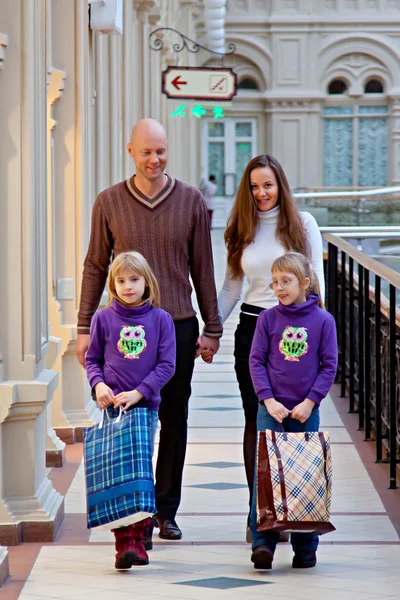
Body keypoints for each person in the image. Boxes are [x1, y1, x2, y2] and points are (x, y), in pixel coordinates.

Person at [77, 119, 222, 542]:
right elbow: (94, 265)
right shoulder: (108, 202)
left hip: (176, 325)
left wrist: (212, 328)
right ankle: (132, 510)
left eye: (160, 151)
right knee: (127, 417)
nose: (154, 159)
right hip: (123, 329)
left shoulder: (191, 200)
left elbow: (203, 267)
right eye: (146, 152)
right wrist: (84, 324)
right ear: (130, 151)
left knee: (174, 417)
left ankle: (165, 509)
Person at [214, 154, 324, 542]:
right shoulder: (241, 228)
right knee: (257, 422)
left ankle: (295, 514)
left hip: (297, 334)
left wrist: (322, 339)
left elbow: (317, 282)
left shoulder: (302, 224)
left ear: (281, 185)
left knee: (297, 425)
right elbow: (231, 287)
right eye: (254, 186)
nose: (261, 193)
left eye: (268, 185)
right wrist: (211, 330)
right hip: (254, 330)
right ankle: (260, 515)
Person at [85, 251, 176, 570]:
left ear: (146, 282)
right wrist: (98, 385)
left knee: (139, 473)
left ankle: (139, 537)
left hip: (144, 409)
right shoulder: (103, 319)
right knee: (117, 474)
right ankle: (124, 542)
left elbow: (167, 365)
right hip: (111, 411)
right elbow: (92, 359)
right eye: (121, 281)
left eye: (134, 279)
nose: (127, 286)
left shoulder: (161, 320)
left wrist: (139, 393)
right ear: (113, 284)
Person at [248, 251, 338, 569]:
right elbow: (256, 361)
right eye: (274, 282)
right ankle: (264, 543)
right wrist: (268, 399)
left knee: (305, 475)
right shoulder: (267, 319)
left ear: (304, 282)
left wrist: (310, 401)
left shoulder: (323, 321)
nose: (279, 288)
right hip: (270, 409)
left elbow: (329, 366)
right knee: (266, 475)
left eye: (285, 281)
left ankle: (305, 546)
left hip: (304, 411)